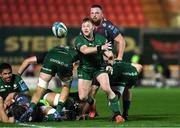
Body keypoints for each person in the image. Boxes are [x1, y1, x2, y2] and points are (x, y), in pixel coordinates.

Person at [74, 17, 124, 123]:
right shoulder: (79, 39)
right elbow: (85, 50)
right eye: (83, 26)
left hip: (99, 68)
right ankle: (91, 102)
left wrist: (110, 63)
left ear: (93, 27)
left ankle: (118, 115)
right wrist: (100, 48)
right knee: (83, 97)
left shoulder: (101, 39)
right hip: (85, 69)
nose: (85, 28)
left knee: (106, 88)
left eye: (88, 26)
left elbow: (109, 54)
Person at [19, 46, 79, 122]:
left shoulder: (49, 53)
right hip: (65, 62)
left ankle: (30, 109)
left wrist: (18, 75)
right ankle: (58, 112)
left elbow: (27, 61)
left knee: (40, 88)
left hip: (50, 59)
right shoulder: (78, 52)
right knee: (66, 86)